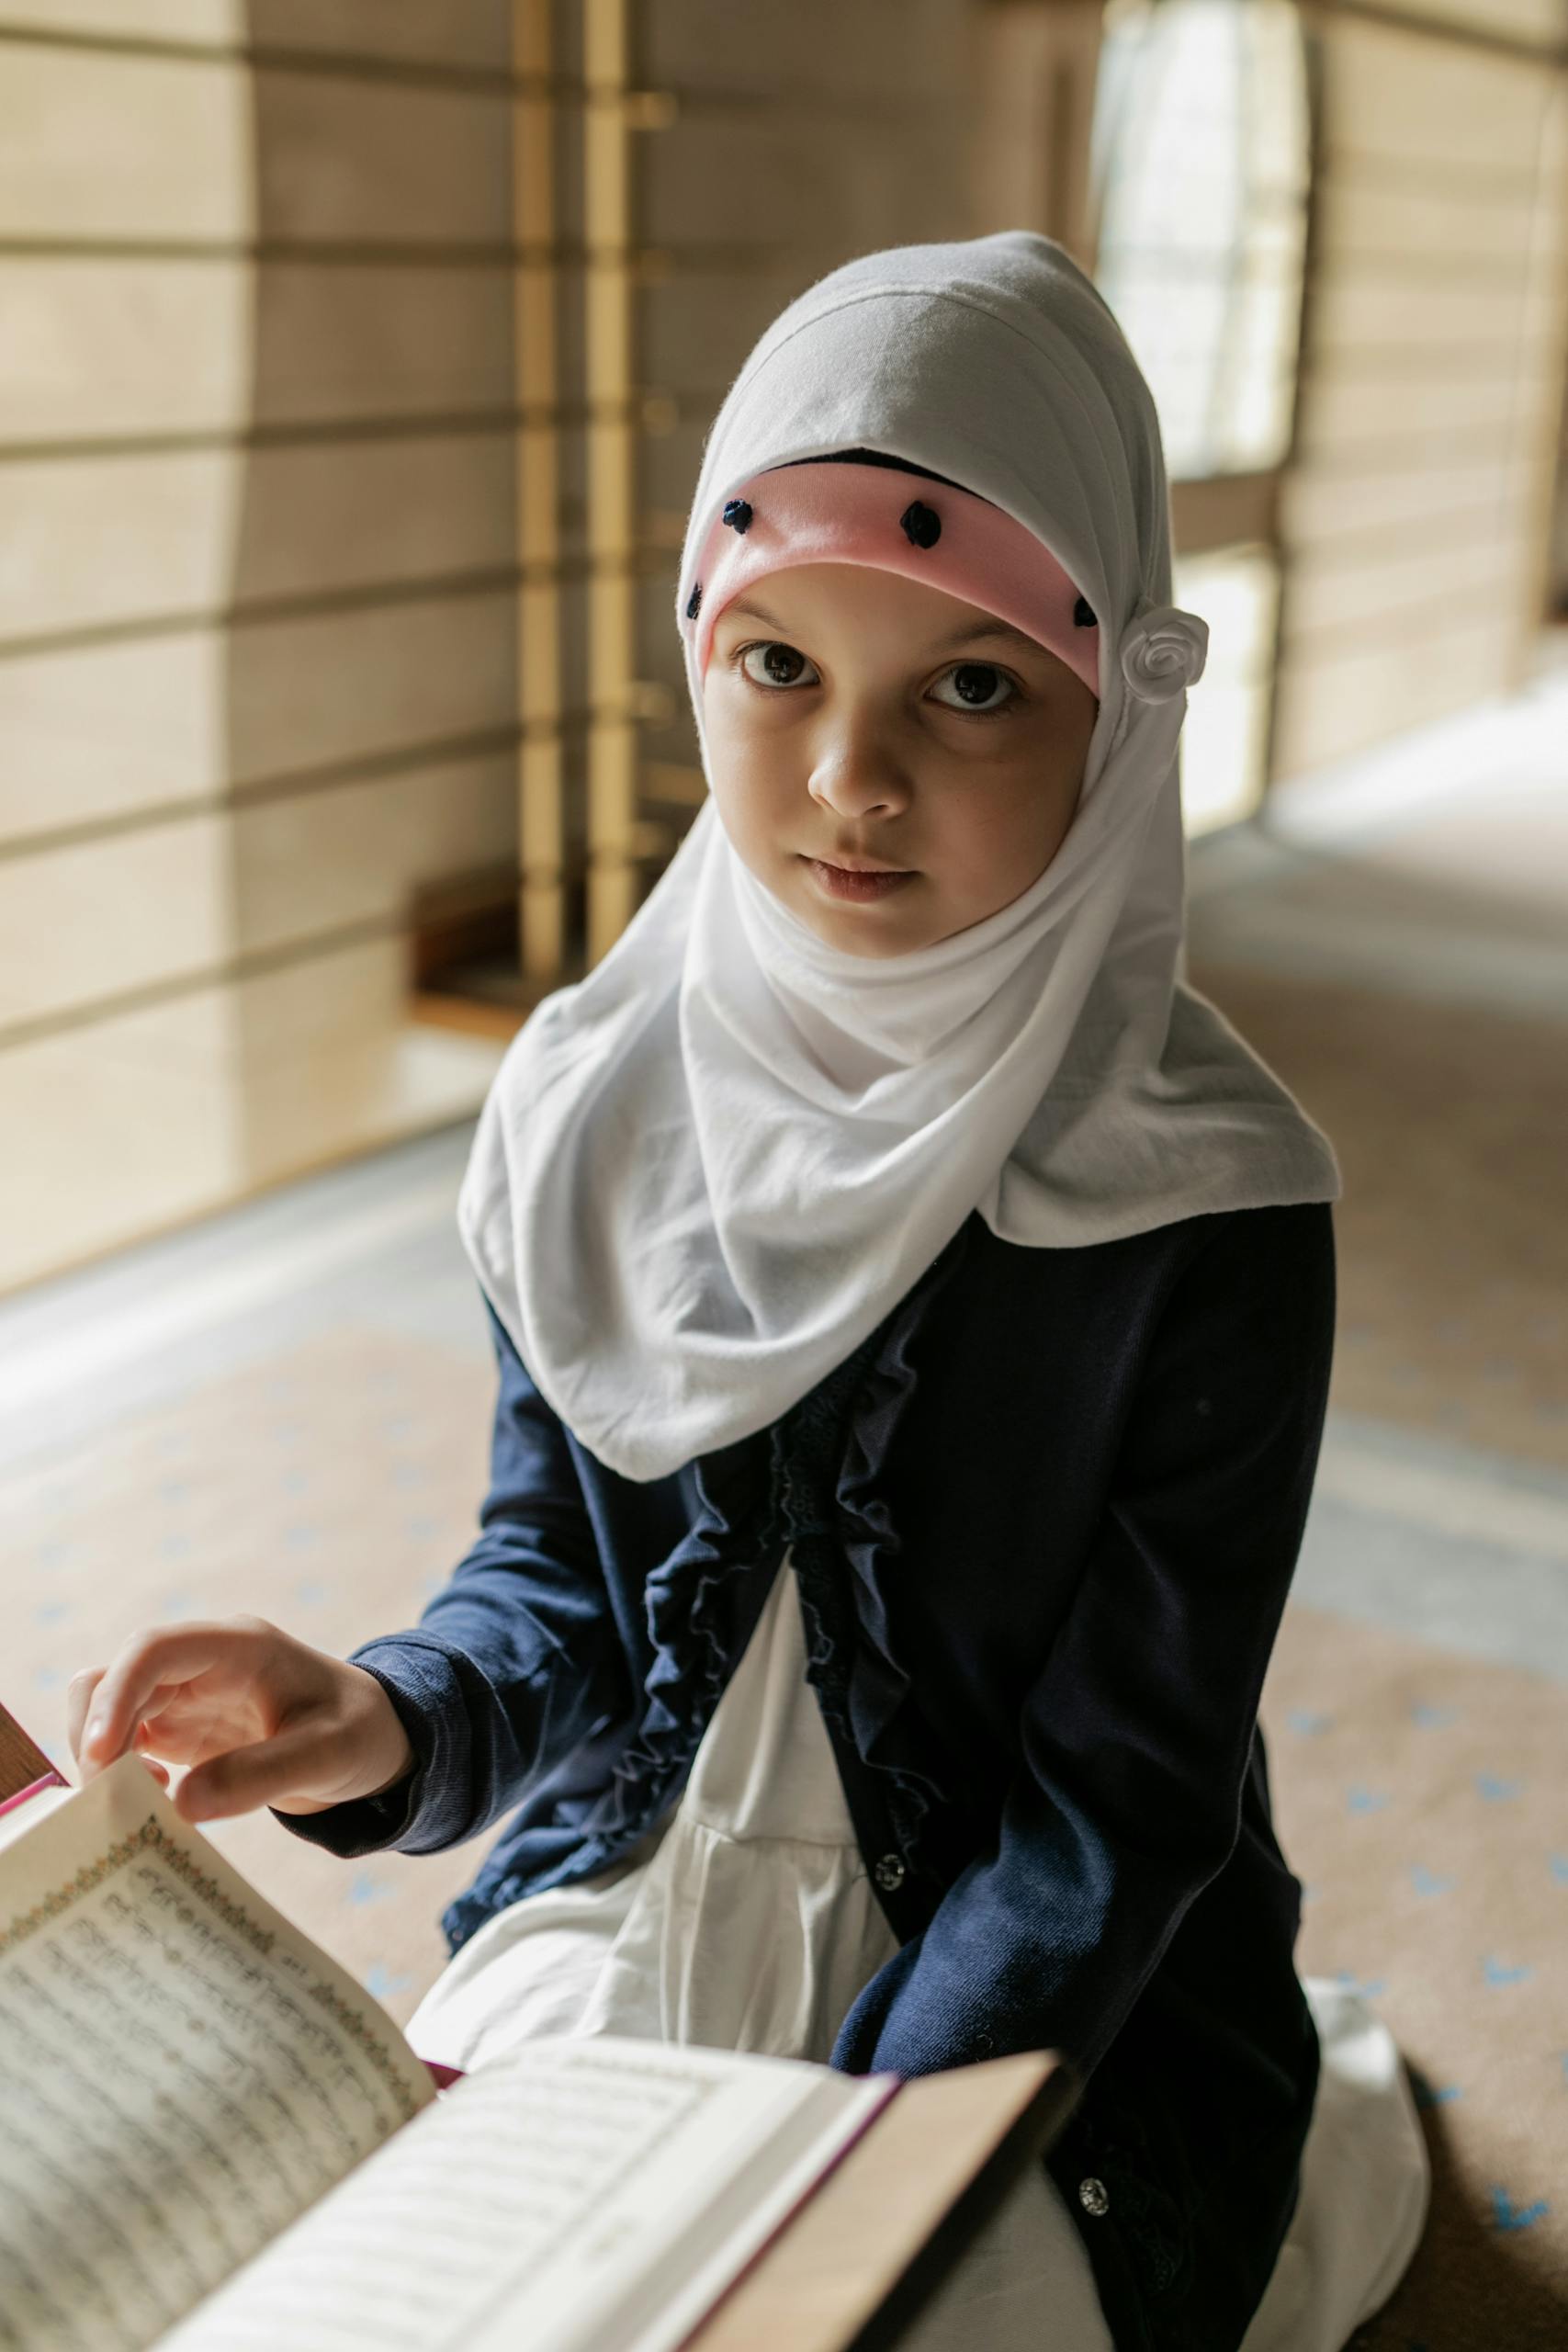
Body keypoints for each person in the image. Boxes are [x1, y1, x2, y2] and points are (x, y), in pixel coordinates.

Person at [68, 233, 1429, 2351]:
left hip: (1033, 2013)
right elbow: (558, 1592)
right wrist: (383, 1712)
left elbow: (1112, 1814)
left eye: (966, 685)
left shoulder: (1207, 1210)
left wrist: (843, 2165)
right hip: (639, 1889)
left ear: (1113, 706)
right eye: (774, 664)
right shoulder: (598, 1101)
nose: (844, 784)